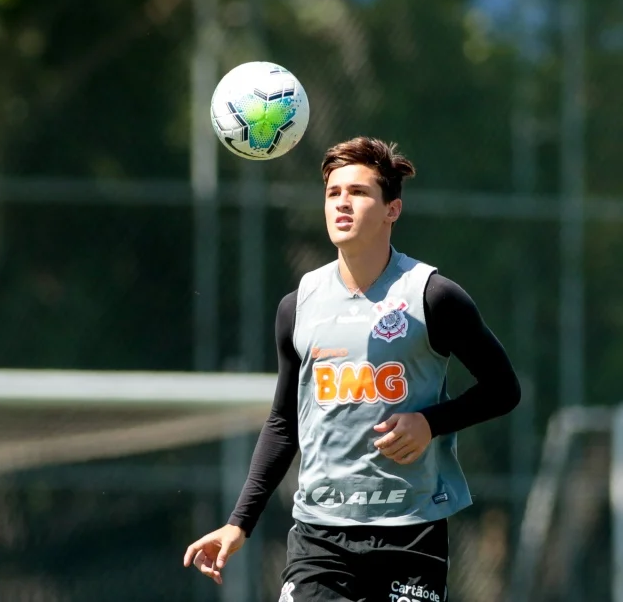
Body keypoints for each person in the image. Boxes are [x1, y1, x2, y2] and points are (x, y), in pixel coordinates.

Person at [182, 137, 521, 601]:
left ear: (392, 210)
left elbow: (503, 389)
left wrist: (430, 422)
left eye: (359, 192)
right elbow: (285, 423)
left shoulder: (432, 296)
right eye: (333, 192)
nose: (342, 202)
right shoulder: (297, 305)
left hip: (411, 529)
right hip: (319, 535)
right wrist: (238, 524)